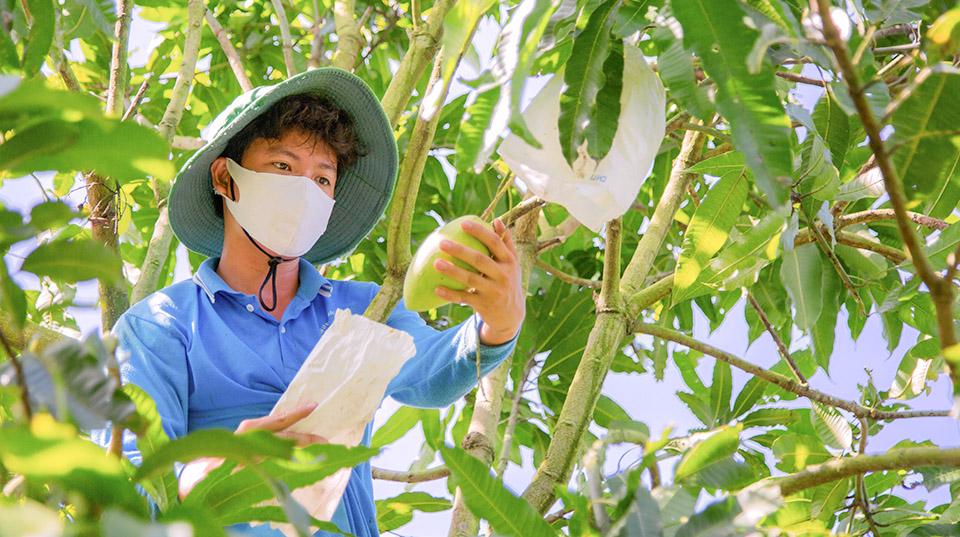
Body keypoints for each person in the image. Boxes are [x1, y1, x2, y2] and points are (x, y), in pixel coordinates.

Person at [90, 67, 525, 536]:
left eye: (322, 179)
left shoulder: (362, 309)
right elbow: (125, 481)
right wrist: (206, 472)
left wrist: (498, 324)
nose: (304, 190)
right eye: (283, 167)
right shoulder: (160, 325)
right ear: (225, 176)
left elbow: (431, 375)